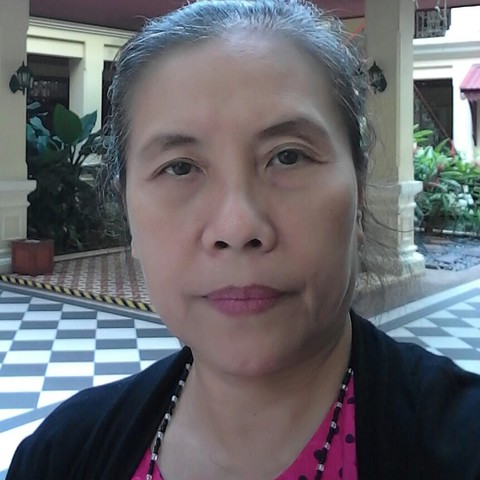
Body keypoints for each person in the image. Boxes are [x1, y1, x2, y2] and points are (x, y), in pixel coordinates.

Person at [7, 1, 480, 479]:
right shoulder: (61, 456)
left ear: (358, 190)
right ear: (128, 211)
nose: (237, 227)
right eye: (180, 168)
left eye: (288, 157)